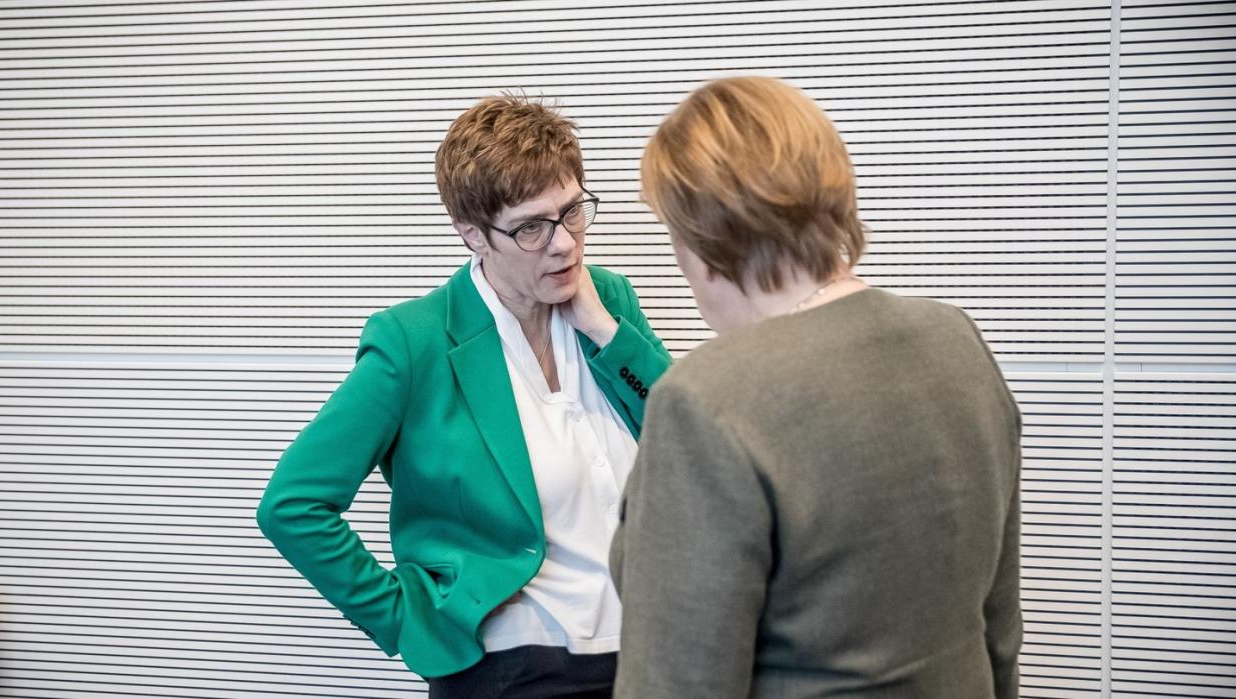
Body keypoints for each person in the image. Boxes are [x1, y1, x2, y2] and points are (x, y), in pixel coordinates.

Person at [610, 76, 1022, 698]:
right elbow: (999, 633)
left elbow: (677, 682)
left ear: (704, 241)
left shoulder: (707, 400)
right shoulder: (956, 340)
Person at [257, 93, 671, 698]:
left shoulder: (608, 300)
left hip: (648, 654)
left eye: (572, 210)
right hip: (513, 669)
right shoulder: (413, 343)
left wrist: (603, 330)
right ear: (473, 234)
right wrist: (405, 621)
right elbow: (292, 506)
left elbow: (686, 440)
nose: (563, 243)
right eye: (531, 226)